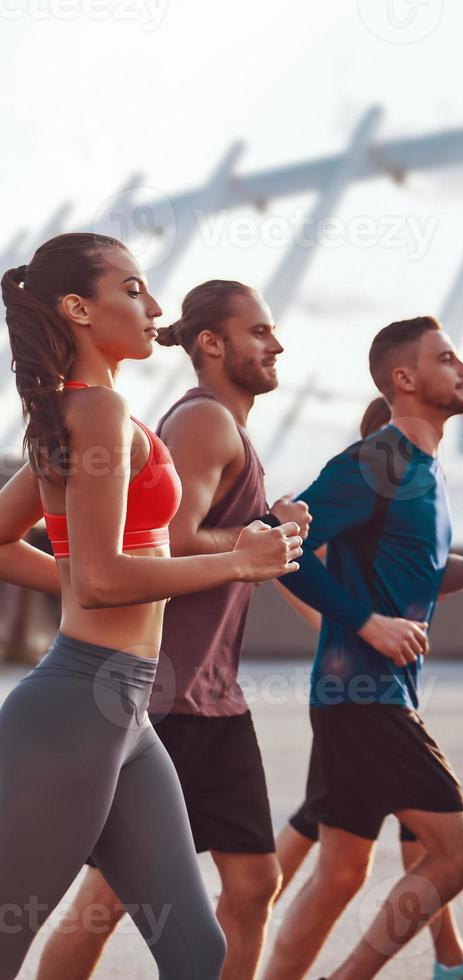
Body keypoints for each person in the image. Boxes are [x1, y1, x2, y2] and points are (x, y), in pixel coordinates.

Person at [0, 234, 303, 979]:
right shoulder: (95, 412)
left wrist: (80, 582)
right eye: (134, 290)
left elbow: (47, 559)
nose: (155, 307)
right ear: (77, 308)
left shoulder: (92, 417)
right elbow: (101, 581)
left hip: (126, 714)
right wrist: (238, 560)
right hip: (76, 709)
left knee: (198, 953)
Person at [263, 316, 463, 980]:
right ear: (405, 379)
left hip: (364, 695)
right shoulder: (378, 459)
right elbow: (278, 543)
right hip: (365, 695)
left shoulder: (424, 470)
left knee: (340, 874)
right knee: (458, 853)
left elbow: (419, 575)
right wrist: (366, 624)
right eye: (446, 358)